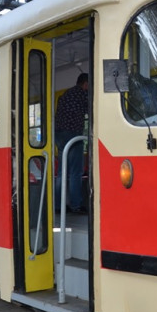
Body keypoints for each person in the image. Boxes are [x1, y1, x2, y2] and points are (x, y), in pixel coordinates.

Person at [55, 73, 89, 213]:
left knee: (62, 171)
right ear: (85, 83)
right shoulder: (82, 94)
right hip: (73, 134)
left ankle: (58, 206)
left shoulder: (66, 94)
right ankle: (76, 205)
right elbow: (91, 111)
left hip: (60, 134)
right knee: (76, 172)